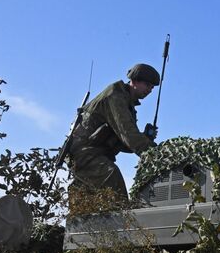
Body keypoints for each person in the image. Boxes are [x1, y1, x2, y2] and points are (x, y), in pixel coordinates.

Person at [67, 63, 160, 199]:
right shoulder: (115, 96)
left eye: (152, 87)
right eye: (147, 84)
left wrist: (145, 138)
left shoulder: (127, 103)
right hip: (85, 153)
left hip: (96, 154)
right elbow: (129, 135)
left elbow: (124, 143)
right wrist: (156, 154)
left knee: (88, 204)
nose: (150, 90)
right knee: (113, 183)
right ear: (134, 81)